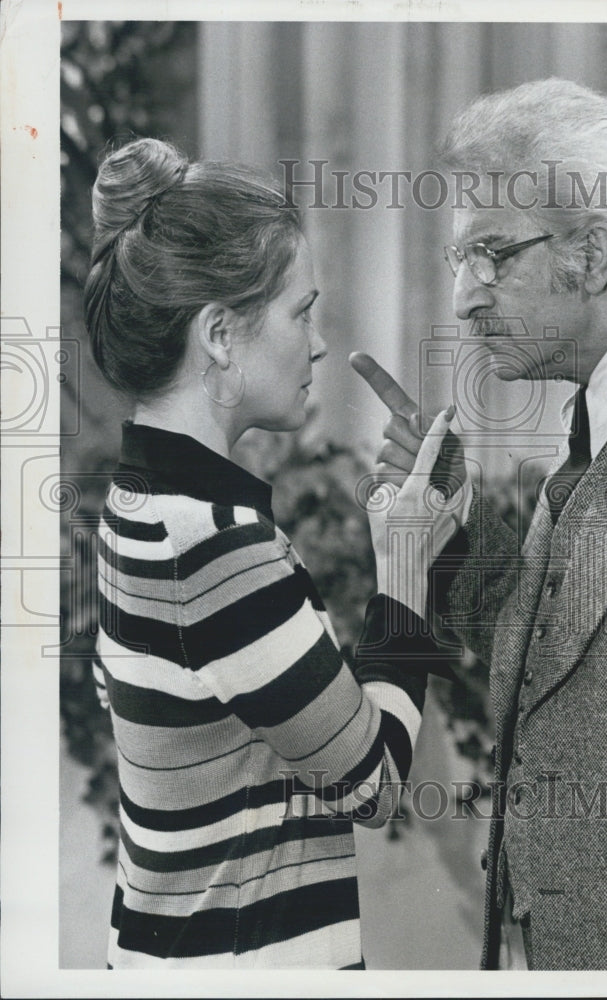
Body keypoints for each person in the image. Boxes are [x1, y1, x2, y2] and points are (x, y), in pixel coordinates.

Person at [351, 78, 607, 970]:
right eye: (462, 261)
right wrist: (450, 527)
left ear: (596, 253)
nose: (465, 298)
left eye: (493, 255)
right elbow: (560, 675)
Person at [84, 137, 458, 969]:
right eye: (302, 312)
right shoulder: (215, 548)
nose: (319, 344)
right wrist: (404, 565)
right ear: (220, 334)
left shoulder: (140, 504)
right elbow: (372, 782)